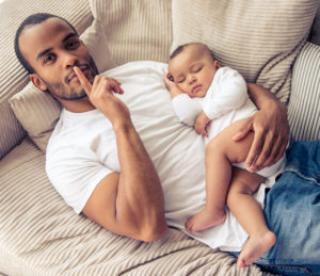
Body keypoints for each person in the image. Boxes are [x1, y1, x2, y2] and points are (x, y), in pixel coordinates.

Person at [14, 13, 320, 275]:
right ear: (38, 81)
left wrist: (271, 108)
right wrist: (121, 123)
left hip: (290, 154)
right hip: (259, 214)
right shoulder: (65, 155)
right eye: (50, 58)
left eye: (71, 44)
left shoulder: (140, 72)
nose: (70, 59)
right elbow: (147, 226)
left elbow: (219, 87)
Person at [164, 42, 286, 267]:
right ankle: (260, 233)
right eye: (181, 79)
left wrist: (208, 114)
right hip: (252, 163)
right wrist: (173, 89)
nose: (190, 80)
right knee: (235, 194)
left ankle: (213, 209)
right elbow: (185, 114)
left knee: (215, 149)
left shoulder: (224, 79)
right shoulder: (197, 102)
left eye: (196, 69)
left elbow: (237, 92)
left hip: (253, 137)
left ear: (215, 65)